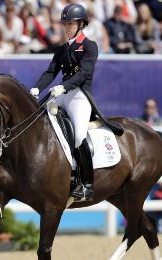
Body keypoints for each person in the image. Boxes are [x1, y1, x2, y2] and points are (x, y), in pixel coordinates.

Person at [30, 4, 122, 201]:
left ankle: (86, 184)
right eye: (65, 24)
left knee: (79, 135)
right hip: (62, 94)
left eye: (70, 24)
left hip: (79, 96)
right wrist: (37, 88)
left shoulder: (90, 46)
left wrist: (64, 87)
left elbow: (84, 73)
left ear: (81, 24)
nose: (66, 27)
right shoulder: (62, 49)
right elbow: (50, 72)